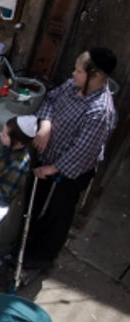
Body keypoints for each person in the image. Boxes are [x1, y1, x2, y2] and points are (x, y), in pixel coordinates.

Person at [19, 48, 119, 279]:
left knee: (57, 215)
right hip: (48, 157)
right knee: (36, 207)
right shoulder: (73, 86)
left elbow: (83, 151)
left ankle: (39, 260)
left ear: (95, 76)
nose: (73, 73)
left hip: (68, 172)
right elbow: (51, 100)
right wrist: (45, 124)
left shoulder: (100, 112)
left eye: (79, 70)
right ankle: (24, 250)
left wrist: (52, 169)